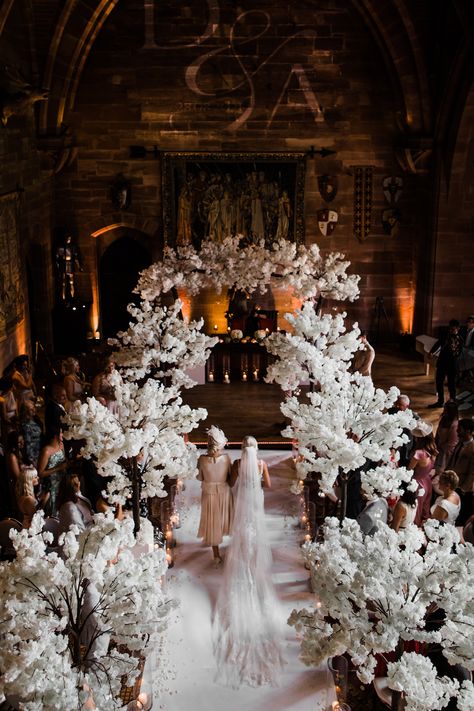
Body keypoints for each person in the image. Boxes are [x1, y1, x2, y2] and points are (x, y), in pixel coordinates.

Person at [213, 436, 284, 687]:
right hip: (256, 505)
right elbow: (268, 484)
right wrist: (258, 476)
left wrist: (237, 476)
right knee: (256, 535)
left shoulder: (235, 464)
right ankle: (255, 565)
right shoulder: (261, 464)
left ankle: (243, 563)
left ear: (242, 450)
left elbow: (231, 483)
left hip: (243, 503)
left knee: (243, 534)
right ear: (256, 450)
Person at [197, 426, 233, 566]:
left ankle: (216, 555)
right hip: (224, 493)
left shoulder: (201, 459)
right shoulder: (226, 458)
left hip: (209, 494)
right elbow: (230, 476)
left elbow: (200, 477)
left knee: (212, 523)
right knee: (225, 520)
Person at [408, 421, 437, 526]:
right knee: (424, 507)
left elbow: (409, 470)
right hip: (427, 482)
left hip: (418, 484)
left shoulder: (418, 454)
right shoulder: (432, 450)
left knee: (416, 509)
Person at [428, 319, 463, 407]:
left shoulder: (460, 339)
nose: (451, 330)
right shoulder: (445, 336)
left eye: (453, 329)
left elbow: (458, 354)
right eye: (450, 328)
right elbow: (438, 343)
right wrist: (431, 352)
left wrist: (453, 347)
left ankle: (452, 402)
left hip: (452, 365)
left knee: (452, 385)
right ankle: (440, 401)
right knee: (439, 383)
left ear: (458, 329)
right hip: (442, 364)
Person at [447, 418, 474, 525]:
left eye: (460, 429)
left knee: (461, 513)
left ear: (468, 431)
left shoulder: (472, 449)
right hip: (454, 481)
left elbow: (472, 472)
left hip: (463, 488)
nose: (457, 431)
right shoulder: (460, 443)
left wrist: (464, 488)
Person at [37, 428, 68, 516]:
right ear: (55, 435)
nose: (63, 434)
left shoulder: (61, 445)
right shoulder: (46, 451)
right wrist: (58, 468)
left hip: (62, 483)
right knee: (53, 512)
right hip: (51, 486)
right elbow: (40, 473)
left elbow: (64, 461)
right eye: (61, 432)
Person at [57, 471, 94, 536]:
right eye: (74, 484)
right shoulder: (68, 507)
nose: (78, 485)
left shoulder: (83, 499)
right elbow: (78, 531)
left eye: (78, 482)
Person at [434, 401, 459, 480]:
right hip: (440, 447)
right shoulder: (444, 419)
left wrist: (440, 447)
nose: (444, 411)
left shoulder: (455, 425)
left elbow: (452, 443)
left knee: (442, 471)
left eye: (446, 410)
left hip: (446, 452)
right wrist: (435, 442)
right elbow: (438, 432)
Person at [19, 400, 43, 467]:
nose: (34, 410)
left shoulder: (35, 419)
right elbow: (27, 444)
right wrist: (32, 460)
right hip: (34, 456)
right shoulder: (26, 425)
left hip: (40, 452)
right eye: (31, 409)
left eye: (34, 408)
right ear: (25, 411)